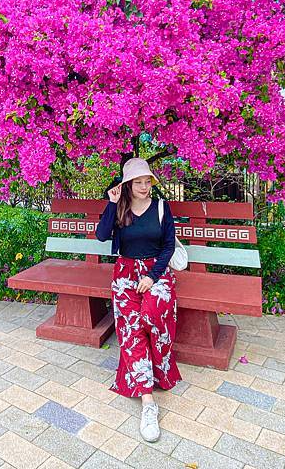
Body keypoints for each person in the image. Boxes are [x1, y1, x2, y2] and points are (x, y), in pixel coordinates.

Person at [96, 157, 182, 443]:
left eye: (147, 181)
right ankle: (148, 402)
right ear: (127, 185)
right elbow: (101, 235)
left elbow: (169, 244)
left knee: (153, 317)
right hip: (125, 273)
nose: (144, 187)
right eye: (138, 182)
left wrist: (154, 277)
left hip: (156, 271)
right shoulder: (120, 209)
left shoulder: (160, 207)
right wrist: (111, 203)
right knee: (131, 329)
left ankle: (158, 367)